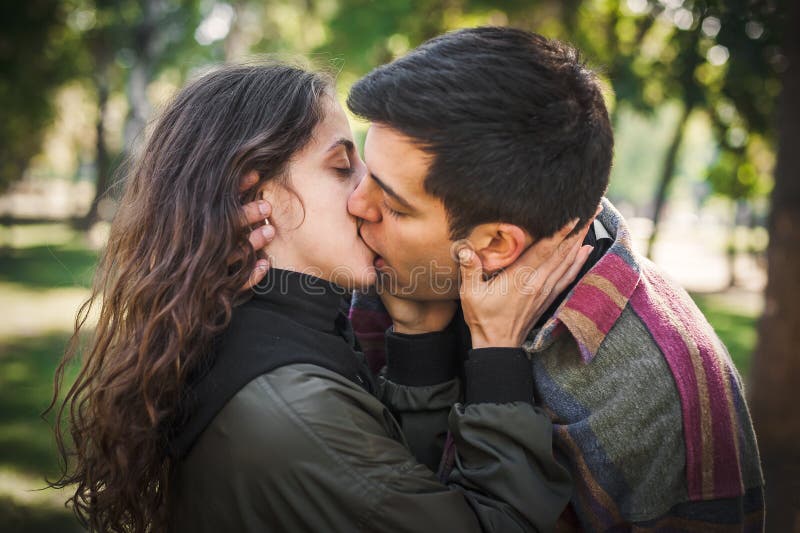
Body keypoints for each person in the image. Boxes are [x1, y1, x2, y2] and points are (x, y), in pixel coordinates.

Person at [49, 62, 580, 533]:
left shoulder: (257, 324)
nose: (368, 194)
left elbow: (389, 486)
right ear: (256, 192)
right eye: (341, 166)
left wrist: (418, 337)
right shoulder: (290, 406)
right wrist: (496, 353)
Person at [336, 27, 764, 530]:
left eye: (393, 204)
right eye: (364, 172)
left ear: (496, 245)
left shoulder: (654, 397)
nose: (355, 204)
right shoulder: (403, 275)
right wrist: (420, 344)